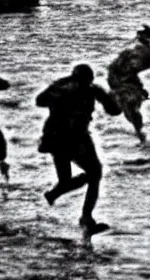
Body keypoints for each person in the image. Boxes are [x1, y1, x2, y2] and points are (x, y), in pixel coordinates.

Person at [36, 64, 121, 238]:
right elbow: (40, 101)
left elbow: (114, 110)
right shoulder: (75, 89)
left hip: (63, 137)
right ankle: (80, 212)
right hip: (65, 137)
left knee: (85, 175)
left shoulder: (86, 90)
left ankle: (81, 213)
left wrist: (110, 95)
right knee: (86, 175)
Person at [108, 38, 150, 143]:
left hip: (124, 83)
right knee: (131, 108)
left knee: (131, 109)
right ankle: (140, 134)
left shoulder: (129, 59)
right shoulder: (129, 59)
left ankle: (140, 134)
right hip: (122, 84)